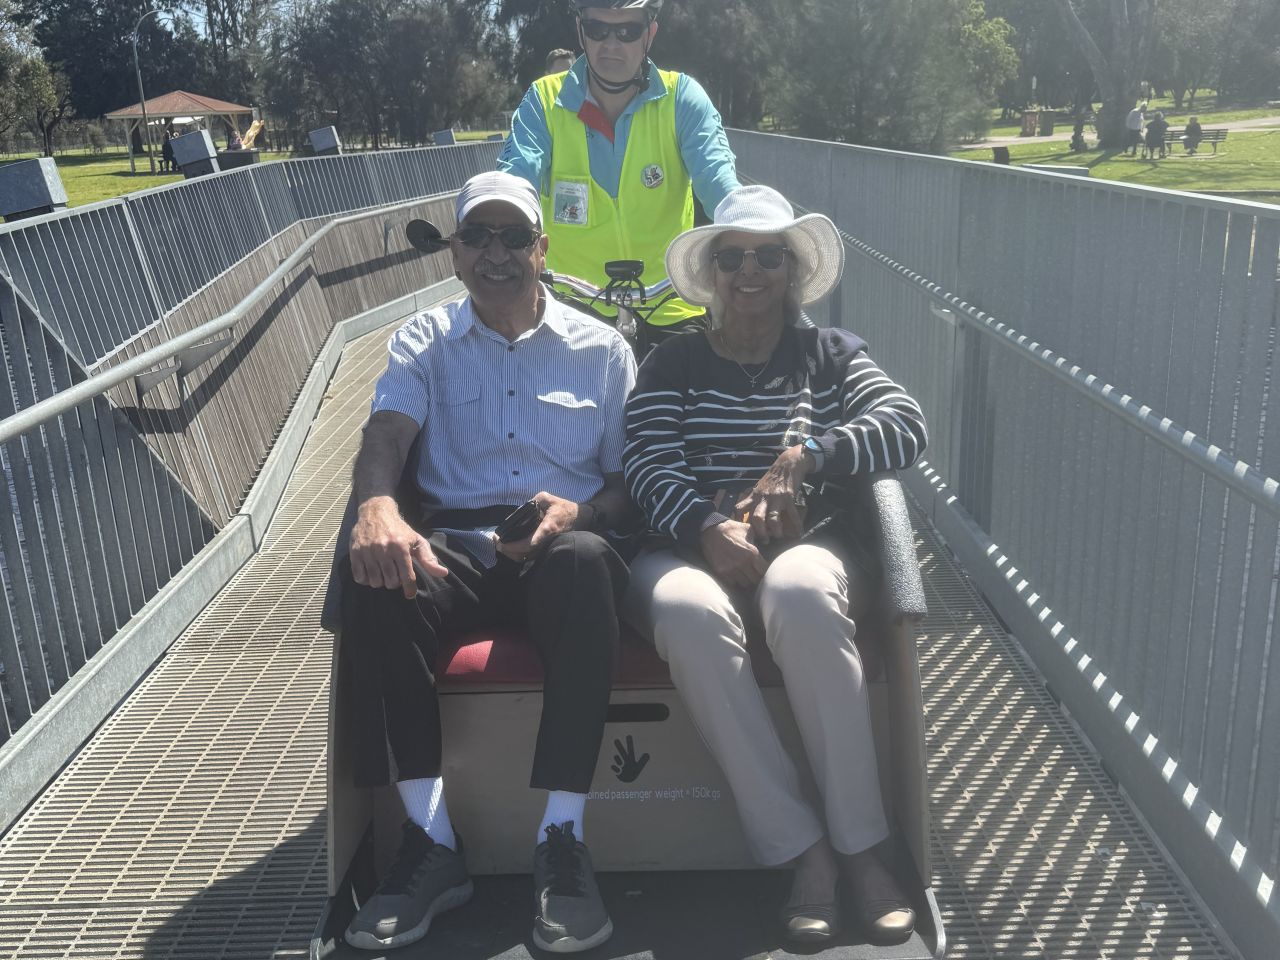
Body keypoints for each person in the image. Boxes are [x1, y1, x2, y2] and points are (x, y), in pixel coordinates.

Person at [622, 185, 929, 945]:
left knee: (800, 593)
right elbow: (646, 461)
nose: (748, 271)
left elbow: (906, 425)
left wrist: (808, 455)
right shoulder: (675, 360)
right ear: (714, 273)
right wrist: (705, 526)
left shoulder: (831, 355)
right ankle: (805, 850)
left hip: (806, 544)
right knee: (691, 614)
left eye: (768, 256)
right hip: (685, 544)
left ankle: (864, 847)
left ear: (793, 270)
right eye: (732, 258)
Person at [338, 171, 635, 954]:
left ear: (543, 249)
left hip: (557, 546)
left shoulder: (603, 351)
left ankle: (561, 840)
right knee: (375, 573)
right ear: (455, 252)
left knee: (585, 561)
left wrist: (582, 513)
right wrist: (376, 508)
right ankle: (431, 841)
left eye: (513, 237)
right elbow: (386, 437)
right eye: (478, 236)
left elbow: (624, 485)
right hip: (459, 545)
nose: (495, 253)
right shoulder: (422, 341)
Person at [499, 0, 740, 343]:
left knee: (686, 389)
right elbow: (514, 186)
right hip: (572, 307)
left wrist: (756, 234)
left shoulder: (682, 98)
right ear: (581, 31)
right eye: (598, 29)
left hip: (671, 303)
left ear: (650, 34)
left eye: (628, 31)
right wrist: (489, 231)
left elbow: (720, 183)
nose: (611, 44)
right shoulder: (543, 101)